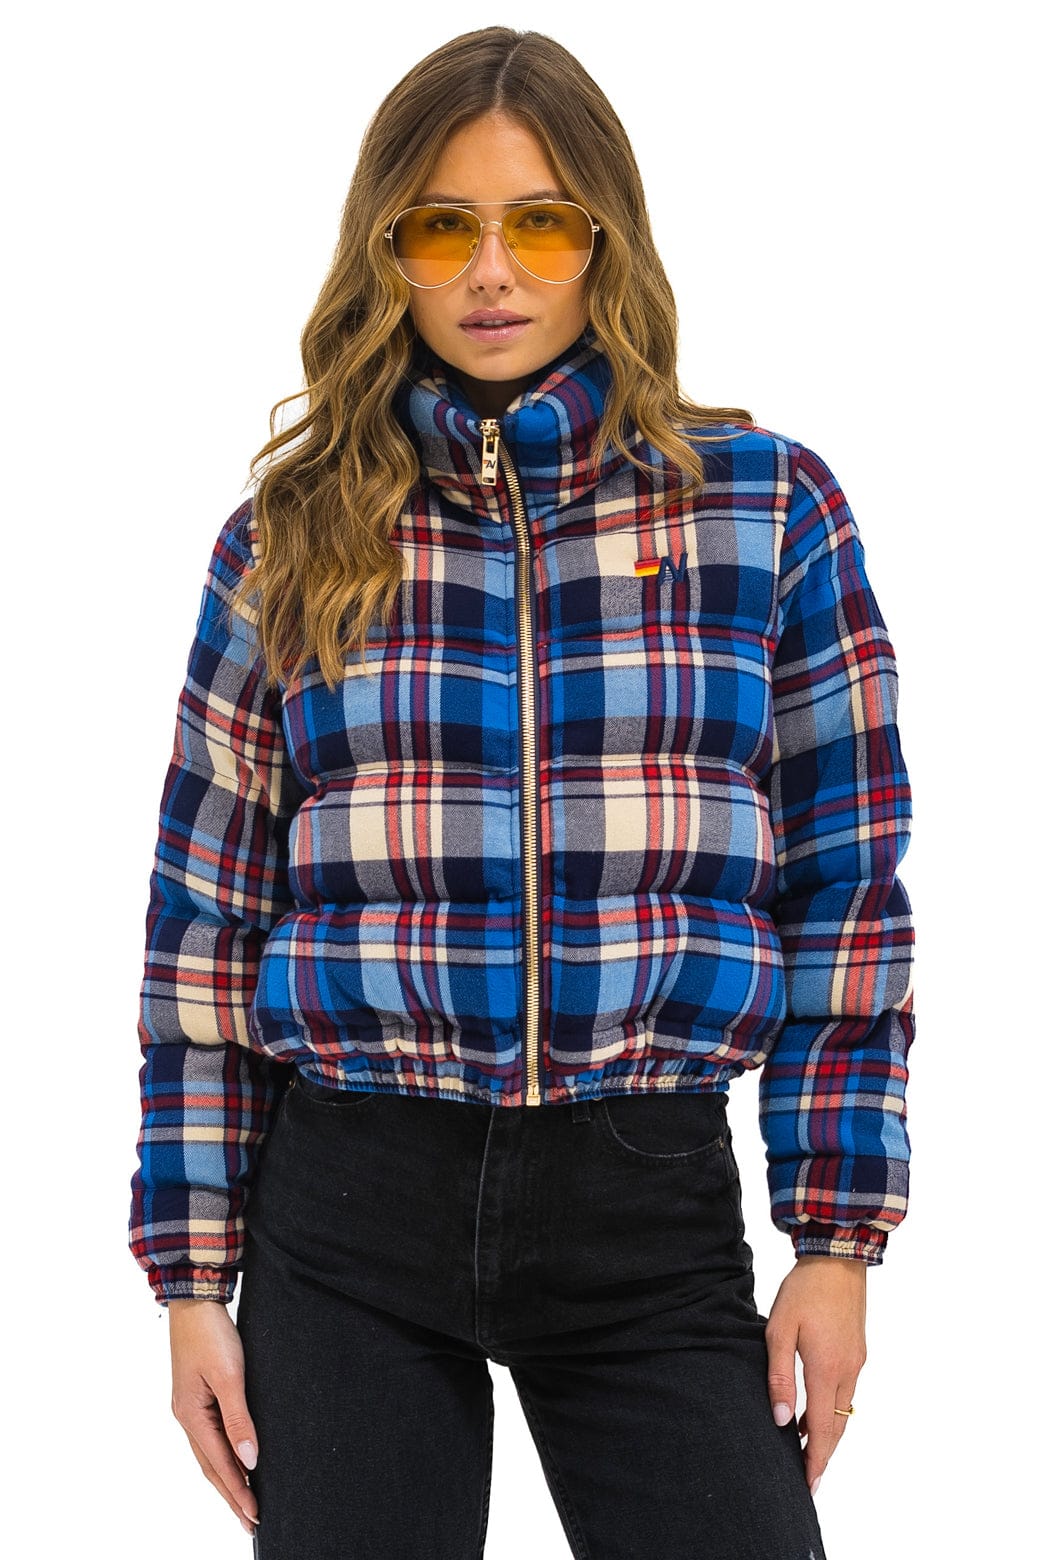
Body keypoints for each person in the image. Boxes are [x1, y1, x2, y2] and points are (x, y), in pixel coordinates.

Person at [128, 25, 915, 1560]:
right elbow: (205, 927)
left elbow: (848, 888)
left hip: (645, 1213)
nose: (492, 271)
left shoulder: (765, 510)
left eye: (540, 221)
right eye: (443, 226)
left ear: (604, 239)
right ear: (388, 255)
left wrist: (836, 1241)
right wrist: (190, 1281)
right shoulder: (290, 538)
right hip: (347, 1216)